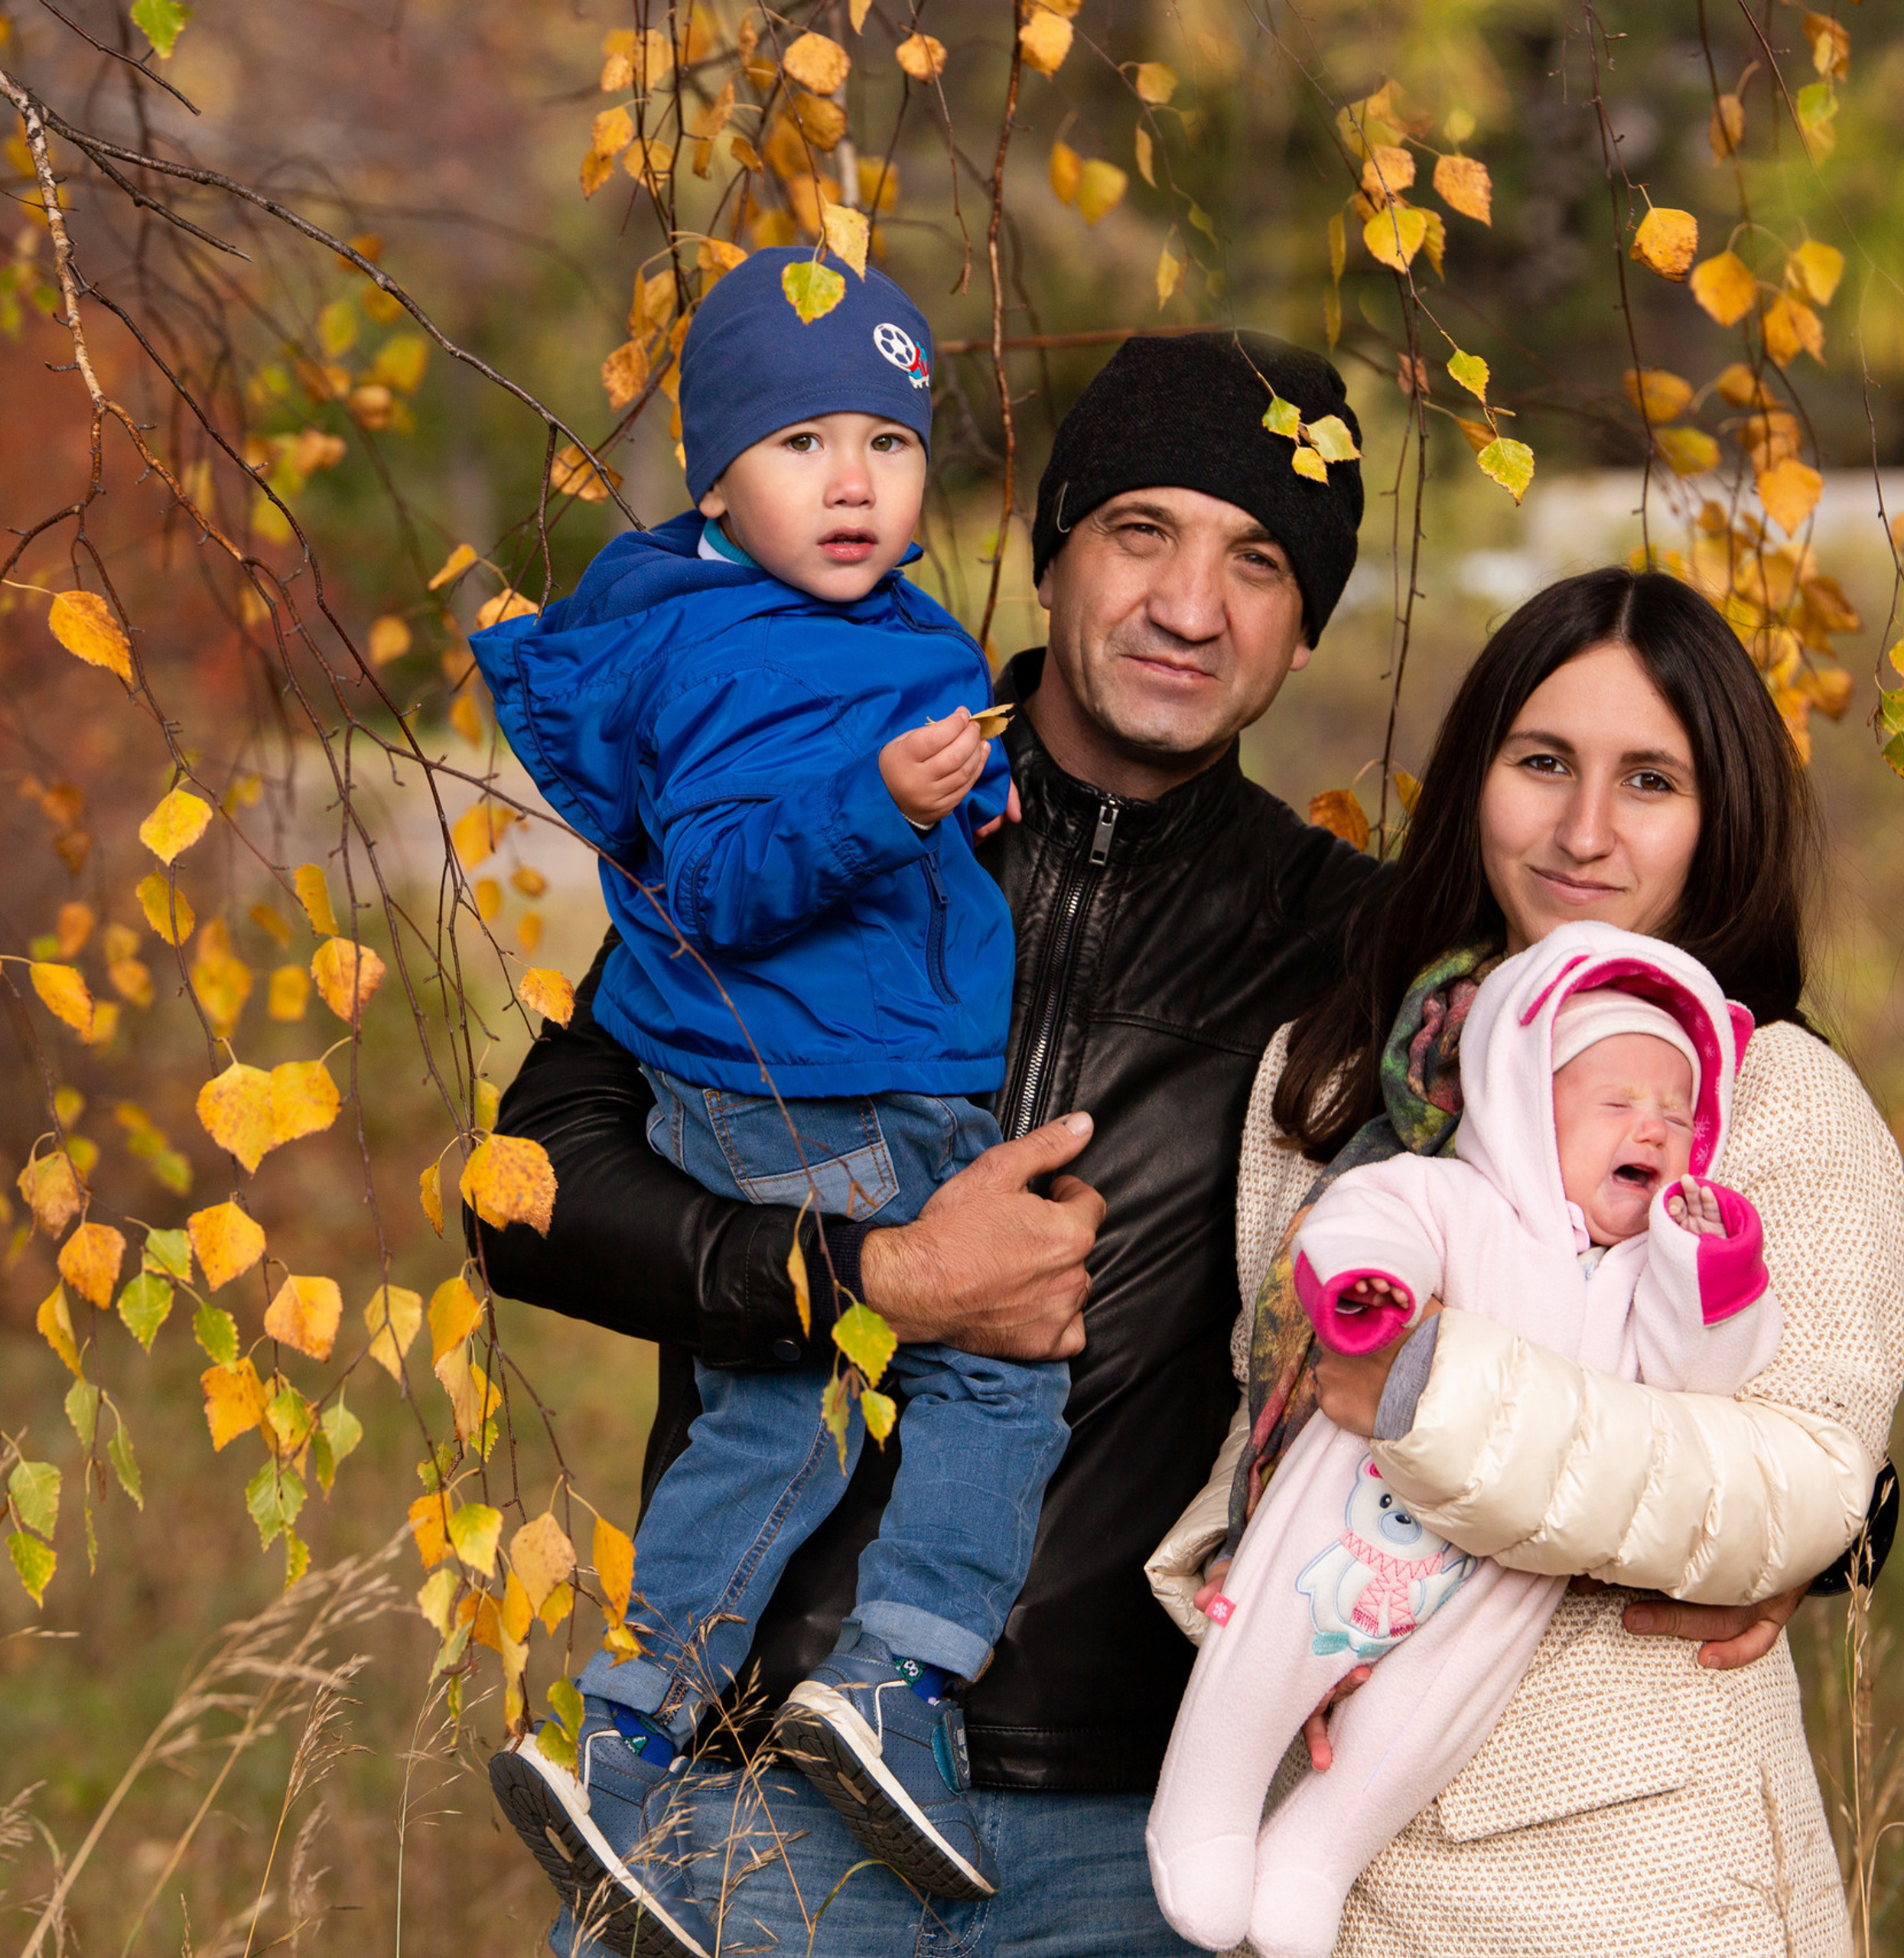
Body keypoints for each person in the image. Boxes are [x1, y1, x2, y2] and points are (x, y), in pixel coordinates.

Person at [473, 326, 1389, 1956]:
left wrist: (1800, 1532)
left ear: (1305, 630)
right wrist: (866, 1273)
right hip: (753, 1792)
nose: (1188, 603)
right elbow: (526, 1192)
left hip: (1130, 1828)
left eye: (1255, 561)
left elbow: (1645, 1174)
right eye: (1140, 532)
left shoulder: (1349, 950)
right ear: (1049, 559)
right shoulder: (823, 798)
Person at [1149, 567, 1904, 1955]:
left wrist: (1430, 1389)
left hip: (1634, 1874)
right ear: (1473, 775)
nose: (1584, 830)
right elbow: (1262, 1425)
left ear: (1719, 814)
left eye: (1651, 781)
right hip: (1324, 1864)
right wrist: (1267, 1618)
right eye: (1542, 762)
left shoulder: (1776, 1097)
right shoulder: (1326, 1075)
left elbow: (1803, 1482)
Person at [471, 247, 1069, 1950]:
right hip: (811, 1082)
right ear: (715, 472)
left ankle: (634, 1719)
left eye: (885, 441)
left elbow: (904, 775)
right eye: (803, 441)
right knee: (997, 1375)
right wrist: (881, 802)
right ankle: (892, 1678)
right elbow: (726, 872)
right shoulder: (739, 654)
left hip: (820, 1063)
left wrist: (964, 802)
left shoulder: (858, 626)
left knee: (772, 1409)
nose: (854, 479)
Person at [1147, 922, 1782, 1957]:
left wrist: (1708, 1268)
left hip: (1508, 1570)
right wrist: (1374, 1291)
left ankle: (1318, 1855)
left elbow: (1702, 1376)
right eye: (1618, 1102)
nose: (1656, 1127)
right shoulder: (1457, 1198)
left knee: (1426, 1722)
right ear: (1529, 1109)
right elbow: (1368, 1220)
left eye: (1678, 1113)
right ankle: (1202, 1810)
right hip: (1361, 1502)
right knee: (1275, 1641)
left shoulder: (1639, 1279)